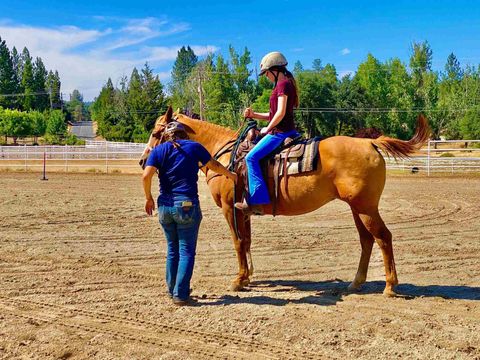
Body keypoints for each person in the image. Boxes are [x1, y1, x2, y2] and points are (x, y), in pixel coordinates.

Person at [142, 121, 237, 306]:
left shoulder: (159, 150)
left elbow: (146, 175)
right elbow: (214, 165)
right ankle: (181, 294)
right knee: (186, 251)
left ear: (168, 135)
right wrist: (231, 175)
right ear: (184, 134)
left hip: (164, 206)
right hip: (186, 204)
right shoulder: (194, 147)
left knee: (172, 250)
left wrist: (148, 198)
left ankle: (172, 290)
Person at [235, 51, 299, 214]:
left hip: (280, 133)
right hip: (283, 130)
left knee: (251, 157)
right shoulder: (285, 84)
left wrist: (268, 129)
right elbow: (273, 114)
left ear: (275, 70)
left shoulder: (282, 85)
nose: (266, 76)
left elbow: (281, 113)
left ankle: (257, 201)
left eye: (266, 73)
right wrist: (254, 115)